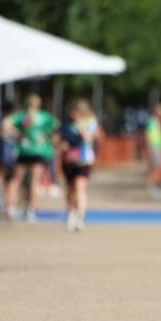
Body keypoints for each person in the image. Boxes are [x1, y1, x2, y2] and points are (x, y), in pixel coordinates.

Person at [2, 93, 58, 222]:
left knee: (16, 179)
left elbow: (5, 124)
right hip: (38, 151)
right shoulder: (43, 116)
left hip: (24, 150)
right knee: (34, 181)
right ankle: (31, 210)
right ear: (39, 104)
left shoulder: (22, 116)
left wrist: (18, 133)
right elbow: (56, 125)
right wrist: (45, 134)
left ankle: (10, 208)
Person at [60, 99, 100, 232]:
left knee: (80, 188)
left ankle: (81, 217)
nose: (75, 114)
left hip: (84, 160)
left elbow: (88, 137)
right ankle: (71, 212)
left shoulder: (90, 122)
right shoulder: (66, 124)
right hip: (68, 160)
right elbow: (59, 137)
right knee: (70, 189)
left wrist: (80, 125)